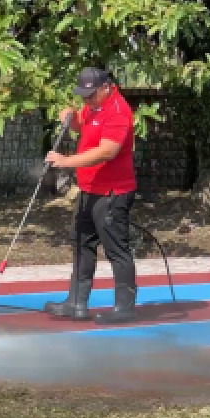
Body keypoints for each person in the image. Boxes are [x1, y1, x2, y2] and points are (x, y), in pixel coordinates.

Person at [42, 66, 138, 324]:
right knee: (81, 243)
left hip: (112, 193)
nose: (87, 100)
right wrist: (70, 119)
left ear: (106, 87)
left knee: (116, 249)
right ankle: (76, 302)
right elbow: (83, 125)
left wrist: (66, 161)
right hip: (89, 189)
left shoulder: (118, 111)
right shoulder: (93, 106)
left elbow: (107, 151)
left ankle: (125, 307)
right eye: (83, 95)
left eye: (91, 95)